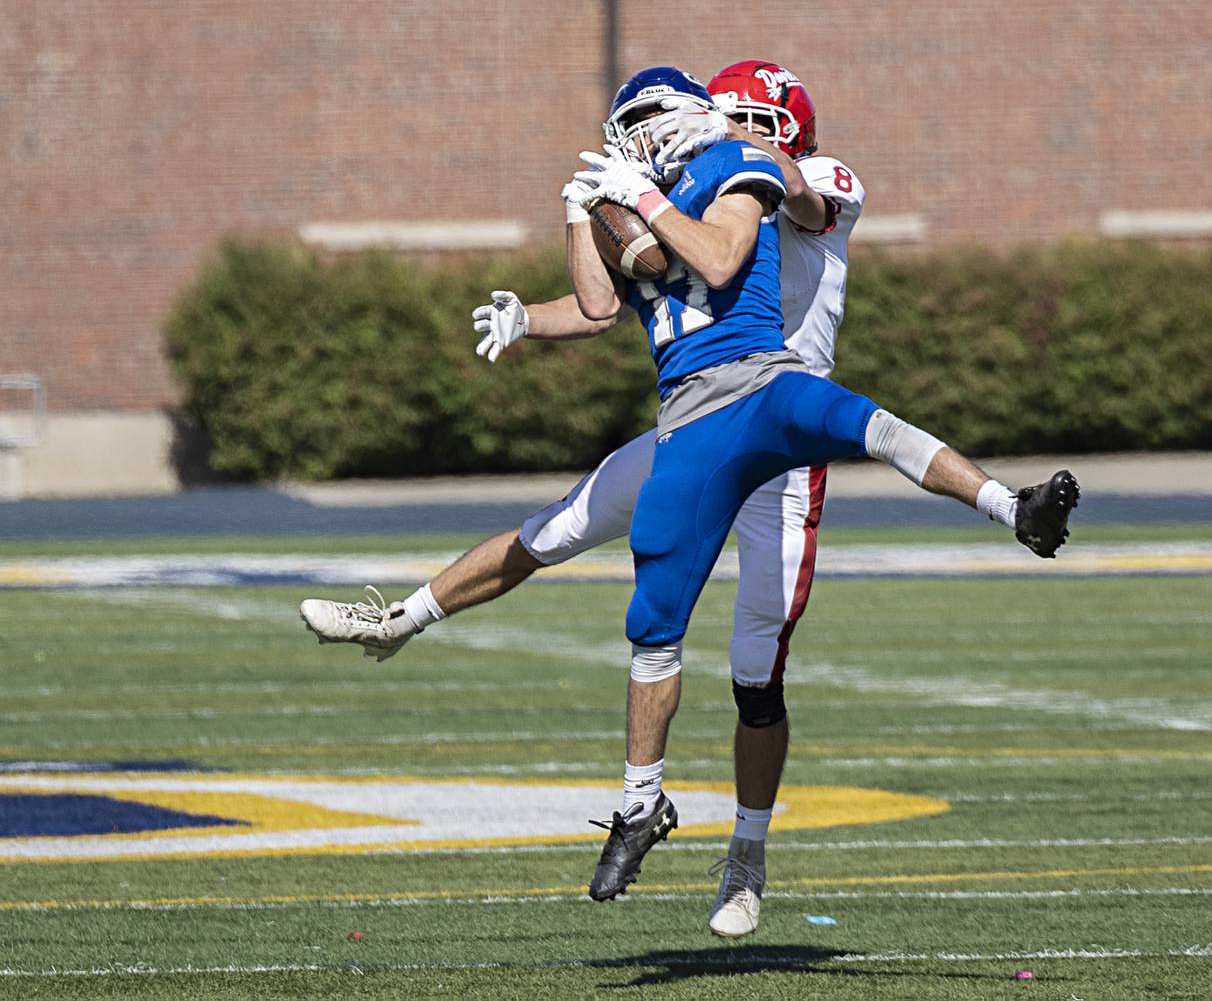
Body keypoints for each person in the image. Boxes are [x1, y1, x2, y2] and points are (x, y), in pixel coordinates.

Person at [302, 64, 1079, 936]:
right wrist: (550, 282)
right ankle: (399, 621)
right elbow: (617, 292)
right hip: (693, 421)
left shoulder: (783, 172)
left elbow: (768, 209)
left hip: (782, 426)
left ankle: (746, 858)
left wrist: (686, 170)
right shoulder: (665, 191)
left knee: (757, 671)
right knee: (558, 531)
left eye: (748, 118)